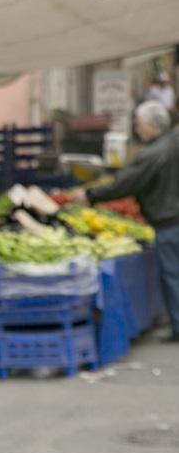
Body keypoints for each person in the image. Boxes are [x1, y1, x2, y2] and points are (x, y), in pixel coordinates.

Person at [76, 100, 179, 340]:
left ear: (152, 126)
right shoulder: (173, 143)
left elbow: (126, 183)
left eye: (139, 124)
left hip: (168, 221)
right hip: (172, 217)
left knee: (172, 275)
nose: (137, 129)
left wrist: (92, 194)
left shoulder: (154, 153)